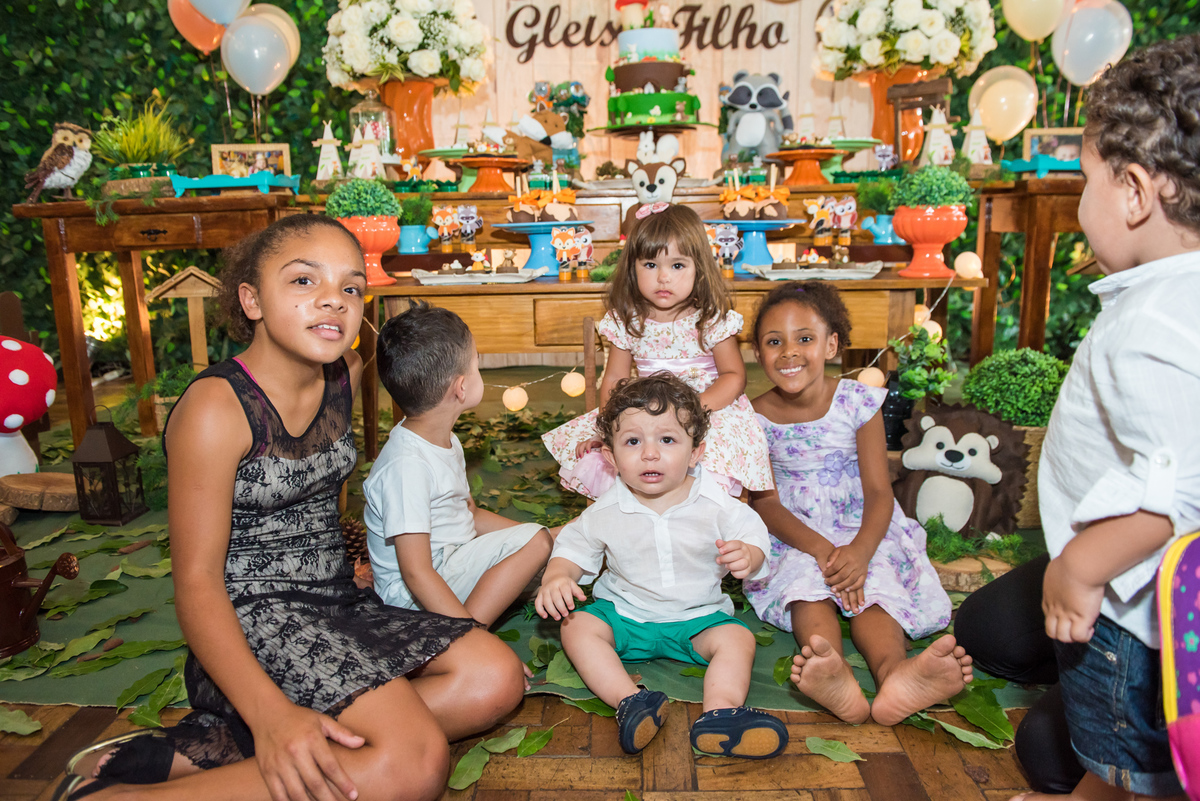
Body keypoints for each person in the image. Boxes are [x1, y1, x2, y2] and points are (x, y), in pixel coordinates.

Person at [58, 215, 526, 801]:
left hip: (335, 598)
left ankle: (202, 753)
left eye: (351, 287)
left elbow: (321, 491)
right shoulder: (215, 409)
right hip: (254, 616)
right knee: (414, 766)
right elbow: (197, 584)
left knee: (493, 679)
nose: (333, 299)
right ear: (251, 300)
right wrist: (271, 716)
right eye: (305, 281)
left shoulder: (344, 373)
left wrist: (350, 560)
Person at [1003, 36, 1200, 801]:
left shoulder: (1148, 328)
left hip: (1128, 609)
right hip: (1148, 603)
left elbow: (1179, 489)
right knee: (1125, 765)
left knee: (1128, 753)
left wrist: (1080, 567)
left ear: (1134, 192)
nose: (1080, 201)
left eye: (1085, 180)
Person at [744, 281, 971, 726]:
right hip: (797, 532)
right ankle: (833, 671)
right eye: (774, 342)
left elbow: (880, 491)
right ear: (757, 352)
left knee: (874, 588)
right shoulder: (753, 417)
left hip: (863, 525)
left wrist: (862, 551)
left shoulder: (857, 402)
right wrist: (823, 551)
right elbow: (765, 503)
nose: (789, 352)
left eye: (804, 338)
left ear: (831, 345)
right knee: (807, 588)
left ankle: (895, 673)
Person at [535, 373, 788, 759]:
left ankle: (720, 713)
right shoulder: (605, 510)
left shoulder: (716, 504)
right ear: (610, 457)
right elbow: (573, 547)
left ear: (696, 452)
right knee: (576, 627)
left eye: (667, 440)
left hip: (698, 619)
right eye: (633, 441)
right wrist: (557, 576)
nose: (650, 454)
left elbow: (752, 534)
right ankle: (631, 702)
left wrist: (749, 555)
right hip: (624, 615)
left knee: (738, 640)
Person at [542, 203, 773, 501]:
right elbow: (614, 378)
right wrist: (609, 427)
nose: (663, 277)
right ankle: (641, 513)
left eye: (677, 266)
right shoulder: (627, 320)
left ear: (699, 268)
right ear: (633, 268)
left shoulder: (710, 318)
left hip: (705, 408)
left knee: (711, 454)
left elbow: (734, 376)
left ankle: (699, 514)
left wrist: (693, 408)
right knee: (618, 451)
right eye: (650, 265)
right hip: (646, 407)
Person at [363, 302, 555, 626]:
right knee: (538, 545)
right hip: (412, 600)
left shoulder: (443, 438)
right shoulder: (407, 467)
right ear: (461, 387)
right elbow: (416, 572)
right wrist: (468, 635)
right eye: (477, 363)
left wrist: (548, 536)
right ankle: (465, 636)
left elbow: (469, 516)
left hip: (449, 562)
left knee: (545, 552)